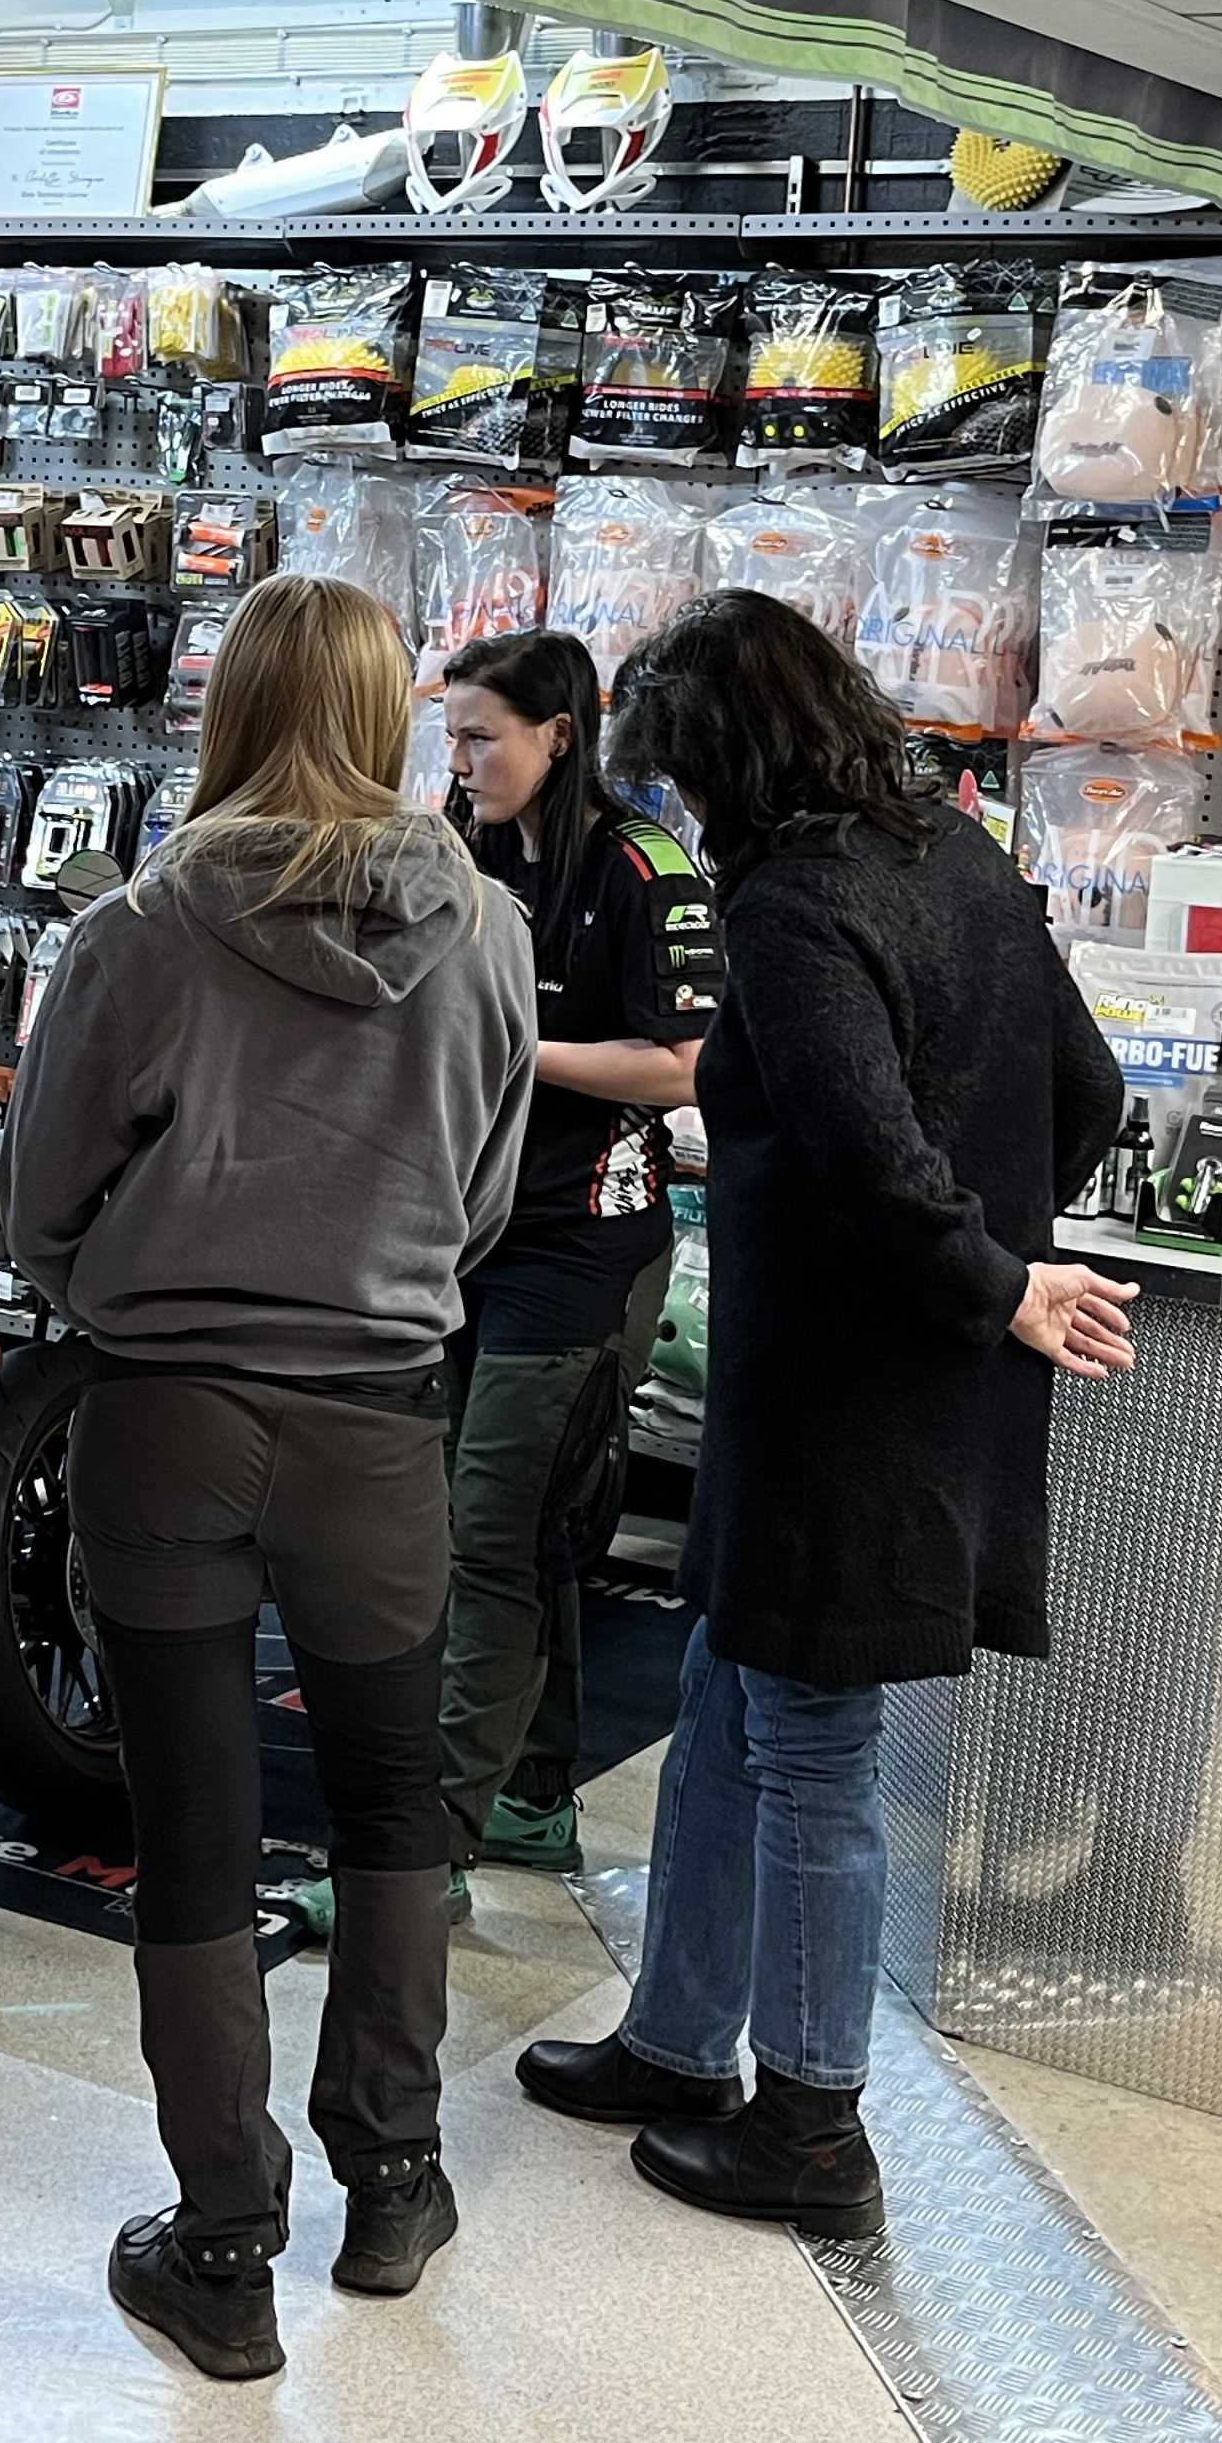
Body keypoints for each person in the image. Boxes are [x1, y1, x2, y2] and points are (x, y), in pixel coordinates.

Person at [514, 592, 1133, 2244]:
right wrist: (996, 1259)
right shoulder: (955, 852)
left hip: (837, 1388)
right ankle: (676, 2037)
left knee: (807, 1738)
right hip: (906, 1373)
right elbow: (1085, 1091)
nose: (685, 813)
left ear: (731, 760)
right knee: (729, 1687)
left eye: (685, 779)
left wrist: (979, 1273)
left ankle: (810, 2120)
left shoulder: (794, 905)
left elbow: (865, 1148)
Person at [2, 573, 534, 2380]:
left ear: (229, 705)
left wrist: (139, 1281)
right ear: (391, 710)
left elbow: (41, 1200)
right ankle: (394, 2178)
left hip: (167, 1410)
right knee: (390, 1806)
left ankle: (223, 2242)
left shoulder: (140, 926)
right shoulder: (488, 928)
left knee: (193, 1823)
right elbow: (481, 1192)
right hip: (379, 1415)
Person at [419, 629, 714, 1900]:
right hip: (464, 1234)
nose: (461, 759)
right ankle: (535, 1796)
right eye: (451, 735)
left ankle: (423, 1855)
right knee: (512, 1530)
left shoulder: (647, 867)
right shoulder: (459, 841)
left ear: (558, 734)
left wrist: (515, 1049)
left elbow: (685, 1068)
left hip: (586, 1247)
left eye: (482, 737)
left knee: (489, 1537)